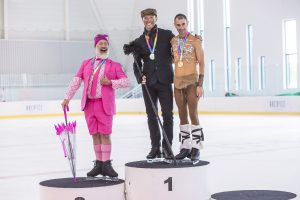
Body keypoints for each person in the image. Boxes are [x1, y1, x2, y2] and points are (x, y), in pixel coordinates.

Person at [61, 34, 129, 178]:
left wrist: (111, 82)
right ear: (95, 46)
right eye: (101, 44)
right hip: (89, 105)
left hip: (104, 104)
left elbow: (125, 82)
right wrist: (67, 98)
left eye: (105, 44)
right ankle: (98, 163)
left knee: (105, 134)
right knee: (95, 135)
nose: (103, 46)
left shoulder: (114, 65)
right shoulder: (86, 63)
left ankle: (106, 164)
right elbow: (76, 81)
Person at [132, 8, 174, 160]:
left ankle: (167, 147)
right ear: (142, 20)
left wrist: (193, 39)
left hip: (165, 81)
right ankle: (155, 147)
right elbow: (136, 63)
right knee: (151, 116)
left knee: (168, 115)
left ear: (156, 18)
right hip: (148, 83)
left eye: (151, 17)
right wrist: (139, 77)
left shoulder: (167, 34)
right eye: (145, 18)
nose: (148, 20)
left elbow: (179, 47)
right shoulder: (138, 41)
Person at [171, 14, 205, 162]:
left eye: (183, 24)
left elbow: (202, 63)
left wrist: (200, 84)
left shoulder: (195, 40)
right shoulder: (173, 41)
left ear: (187, 23)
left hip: (192, 80)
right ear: (175, 25)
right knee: (182, 114)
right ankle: (185, 146)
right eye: (178, 25)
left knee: (193, 113)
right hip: (177, 82)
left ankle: (196, 147)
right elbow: (172, 58)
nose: (181, 27)